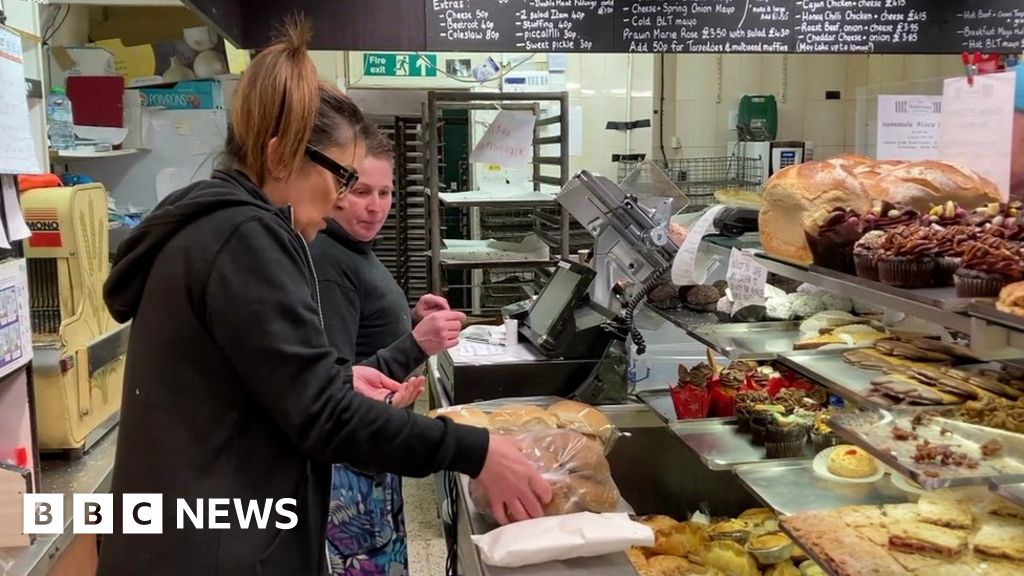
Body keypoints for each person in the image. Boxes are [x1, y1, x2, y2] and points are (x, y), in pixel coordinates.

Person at [98, 18, 550, 575]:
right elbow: (324, 420)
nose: (343, 198)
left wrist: (336, 377)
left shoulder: (213, 230)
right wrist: (473, 451)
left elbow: (265, 385)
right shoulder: (246, 238)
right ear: (281, 155)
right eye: (342, 177)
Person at [311, 131, 465, 575]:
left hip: (375, 439)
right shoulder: (328, 262)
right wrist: (416, 343)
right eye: (361, 192)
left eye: (385, 192)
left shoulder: (354, 248)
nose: (376, 206)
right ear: (334, 191)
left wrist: (408, 317)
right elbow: (336, 378)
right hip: (351, 458)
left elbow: (358, 333)